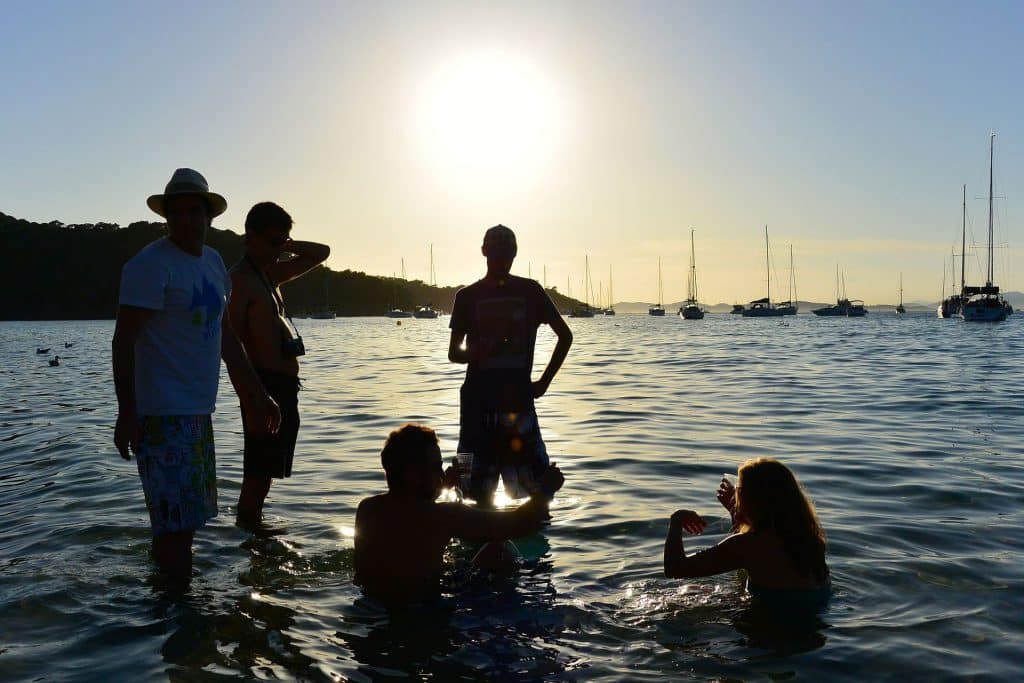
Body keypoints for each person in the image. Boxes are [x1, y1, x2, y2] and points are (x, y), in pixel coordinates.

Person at [112, 168, 280, 579]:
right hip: (161, 414)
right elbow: (124, 341)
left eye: (195, 211)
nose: (187, 220)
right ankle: (177, 609)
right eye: (178, 212)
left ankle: (171, 605)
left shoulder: (212, 263)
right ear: (166, 216)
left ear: (209, 215)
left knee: (186, 523)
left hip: (198, 413)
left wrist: (257, 395)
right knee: (174, 526)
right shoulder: (149, 266)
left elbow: (224, 338)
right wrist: (127, 411)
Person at [354, 423, 563, 605]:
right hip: (429, 610)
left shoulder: (367, 510)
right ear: (412, 474)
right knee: (498, 550)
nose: (441, 474)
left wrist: (440, 486)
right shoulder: (444, 516)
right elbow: (519, 524)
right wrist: (547, 490)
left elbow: (411, 512)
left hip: (376, 605)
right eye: (436, 468)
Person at [448, 225, 572, 507]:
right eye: (495, 252)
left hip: (518, 404)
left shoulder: (530, 291)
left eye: (507, 252)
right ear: (484, 253)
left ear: (515, 253)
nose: (501, 258)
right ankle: (481, 545)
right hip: (476, 408)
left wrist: (543, 383)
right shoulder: (466, 297)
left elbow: (565, 336)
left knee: (537, 488)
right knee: (474, 493)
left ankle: (531, 547)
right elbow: (454, 353)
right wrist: (474, 353)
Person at [228, 202, 331, 525]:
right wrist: (255, 397)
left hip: (284, 387)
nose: (279, 250)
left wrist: (286, 245)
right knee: (257, 475)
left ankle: (257, 538)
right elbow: (232, 345)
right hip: (263, 386)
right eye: (273, 242)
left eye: (283, 241)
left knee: (268, 474)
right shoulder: (240, 281)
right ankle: (247, 538)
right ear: (251, 238)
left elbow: (321, 252)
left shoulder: (269, 275)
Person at [664, 458, 831, 613]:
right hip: (811, 628)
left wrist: (676, 520)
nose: (736, 495)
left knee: (688, 591)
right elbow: (753, 565)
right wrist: (736, 512)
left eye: (740, 490)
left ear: (753, 499)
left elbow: (675, 569)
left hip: (767, 629)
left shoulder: (750, 545)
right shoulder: (809, 538)